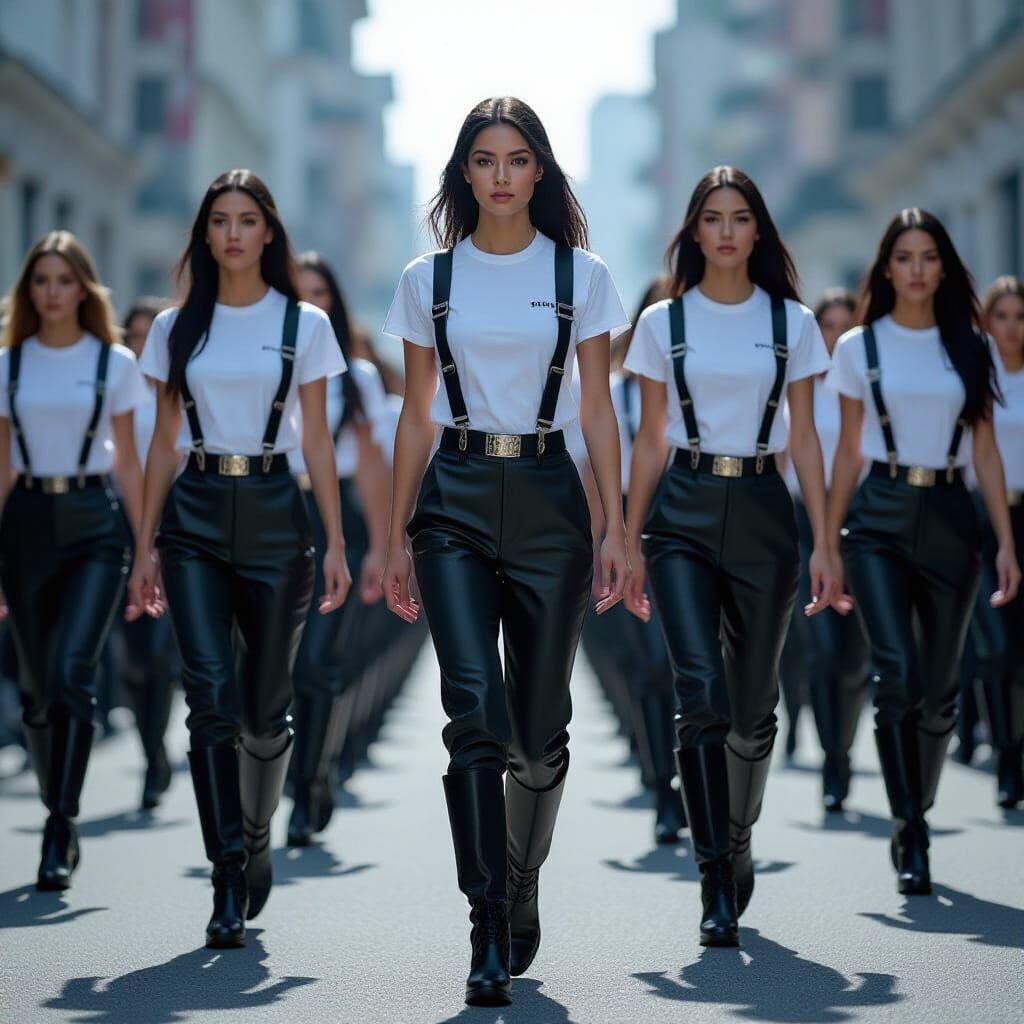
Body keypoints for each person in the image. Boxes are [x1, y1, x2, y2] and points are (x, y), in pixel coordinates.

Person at [381, 97, 629, 1006]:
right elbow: (415, 416)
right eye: (484, 160)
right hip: (451, 497)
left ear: (540, 172)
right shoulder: (427, 279)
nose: (501, 176)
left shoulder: (582, 275)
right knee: (472, 711)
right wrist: (393, 536)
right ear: (464, 172)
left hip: (548, 499)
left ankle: (523, 878)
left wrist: (616, 527)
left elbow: (596, 409)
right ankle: (487, 917)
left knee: (539, 728)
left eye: (517, 160)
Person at [127, 169, 351, 948]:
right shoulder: (174, 328)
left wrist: (336, 542)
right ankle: (226, 871)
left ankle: (256, 834)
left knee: (264, 709)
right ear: (205, 234)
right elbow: (161, 443)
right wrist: (144, 547)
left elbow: (316, 441)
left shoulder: (303, 324)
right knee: (209, 700)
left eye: (246, 220)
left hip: (274, 512)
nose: (232, 233)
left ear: (268, 233)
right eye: (219, 220)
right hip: (192, 513)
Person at [624, 166, 838, 947]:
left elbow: (805, 439)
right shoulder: (662, 322)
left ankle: (738, 834)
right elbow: (649, 440)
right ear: (694, 231)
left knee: (753, 710)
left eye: (739, 217)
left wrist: (825, 541)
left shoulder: (793, 323)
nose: (725, 231)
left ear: (758, 231)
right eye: (711, 217)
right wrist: (626, 538)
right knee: (700, 695)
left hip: (762, 512)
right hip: (680, 511)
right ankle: (714, 871)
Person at [827, 209, 1020, 895]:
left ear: (943, 268)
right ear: (886, 267)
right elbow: (847, 452)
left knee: (939, 695)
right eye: (904, 257)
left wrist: (1005, 542)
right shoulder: (858, 347)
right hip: (877, 517)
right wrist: (828, 541)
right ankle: (909, 825)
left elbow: (986, 451)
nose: (916, 269)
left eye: (928, 257)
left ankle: (919, 801)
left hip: (950, 517)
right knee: (897, 676)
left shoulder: (972, 345)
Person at [0, 230, 147, 889]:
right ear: (28, 291)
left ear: (84, 289)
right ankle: (55, 797)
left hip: (96, 524)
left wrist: (147, 549)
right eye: (41, 281)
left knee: (70, 674)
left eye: (64, 280)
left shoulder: (113, 362)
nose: (53, 292)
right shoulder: (9, 364)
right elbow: (1, 465)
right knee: (35, 692)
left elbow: (130, 462)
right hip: (26, 522)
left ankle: (61, 821)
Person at [287, 252, 390, 846]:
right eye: (299, 291)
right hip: (276, 509)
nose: (311, 302)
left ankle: (310, 780)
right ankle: (285, 770)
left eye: (320, 292)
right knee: (273, 663)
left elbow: (373, 464)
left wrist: (379, 545)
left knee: (318, 660)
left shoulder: (357, 376)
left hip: (340, 517)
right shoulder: (265, 359)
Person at [779, 288, 870, 809]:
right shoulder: (799, 389)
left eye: (844, 327)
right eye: (827, 328)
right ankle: (826, 752)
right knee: (818, 646)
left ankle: (842, 750)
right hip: (803, 523)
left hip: (858, 521)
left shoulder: (867, 389)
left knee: (853, 653)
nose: (834, 338)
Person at [117, 296, 180, 810]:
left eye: (147, 337)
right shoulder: (115, 388)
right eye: (132, 337)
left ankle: (158, 752)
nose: (140, 346)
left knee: (160, 649)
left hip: (176, 523)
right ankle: (151, 749)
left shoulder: (178, 389)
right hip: (119, 526)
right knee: (134, 656)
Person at [965, 276, 1024, 807]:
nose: (1011, 327)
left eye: (1020, 317)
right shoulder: (975, 377)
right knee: (997, 646)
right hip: (982, 521)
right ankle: (1006, 757)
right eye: (1001, 316)